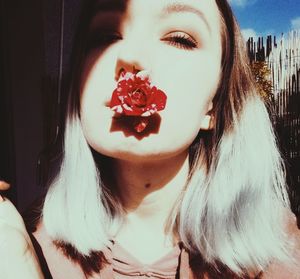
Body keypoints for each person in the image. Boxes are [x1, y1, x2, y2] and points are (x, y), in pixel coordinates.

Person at [1, 0, 300, 278]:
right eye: (106, 36)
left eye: (179, 38)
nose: (131, 57)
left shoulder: (278, 248)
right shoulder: (25, 243)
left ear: (215, 103)